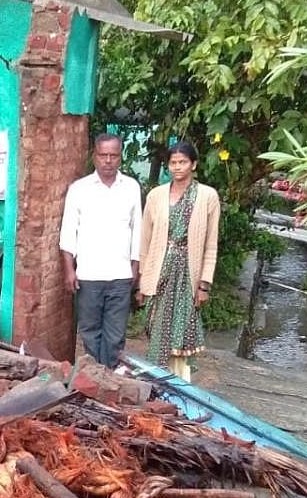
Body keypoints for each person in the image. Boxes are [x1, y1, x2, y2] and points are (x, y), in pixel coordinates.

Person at [138, 140, 220, 383]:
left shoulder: (207, 196)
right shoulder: (156, 195)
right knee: (156, 327)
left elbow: (211, 244)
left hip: (188, 275)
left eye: (182, 162)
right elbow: (146, 240)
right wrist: (143, 278)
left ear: (193, 164)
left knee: (181, 330)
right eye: (173, 162)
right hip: (159, 272)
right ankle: (155, 382)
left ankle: (179, 384)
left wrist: (204, 284)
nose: (177, 167)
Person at [59, 133, 142, 370]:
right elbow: (68, 232)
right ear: (95, 156)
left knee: (115, 335)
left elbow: (138, 228)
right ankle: (95, 376)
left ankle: (111, 377)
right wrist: (69, 270)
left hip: (120, 275)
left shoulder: (131, 188)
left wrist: (135, 268)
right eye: (103, 155)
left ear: (120, 157)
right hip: (88, 275)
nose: (108, 161)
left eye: (113, 155)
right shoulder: (80, 189)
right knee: (90, 331)